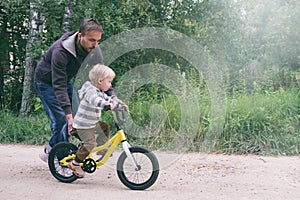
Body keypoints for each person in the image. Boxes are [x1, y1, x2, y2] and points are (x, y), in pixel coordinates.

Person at [34, 18, 106, 162]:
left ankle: (50, 149)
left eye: (98, 41)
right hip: (45, 83)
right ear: (80, 36)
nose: (95, 45)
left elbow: (102, 77)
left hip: (64, 81)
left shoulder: (94, 49)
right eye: (92, 40)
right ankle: (61, 160)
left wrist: (112, 97)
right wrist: (68, 115)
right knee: (62, 120)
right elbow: (58, 85)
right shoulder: (60, 51)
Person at [68, 64, 125, 178]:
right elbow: (95, 100)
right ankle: (75, 163)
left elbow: (107, 98)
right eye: (109, 81)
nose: (110, 84)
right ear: (100, 81)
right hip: (82, 125)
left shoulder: (100, 92)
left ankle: (102, 149)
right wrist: (105, 105)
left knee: (104, 127)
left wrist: (119, 105)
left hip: (91, 123)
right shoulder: (90, 92)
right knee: (90, 143)